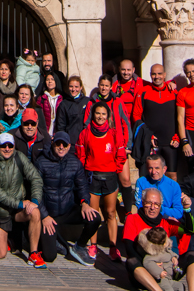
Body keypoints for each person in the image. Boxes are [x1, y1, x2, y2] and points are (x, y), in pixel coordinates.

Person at [34, 131, 101, 266]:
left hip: (67, 209)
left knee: (95, 217)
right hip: (49, 215)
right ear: (53, 143)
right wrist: (44, 216)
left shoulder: (75, 163)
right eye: (58, 143)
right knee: (49, 256)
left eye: (64, 144)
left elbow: (82, 186)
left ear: (69, 146)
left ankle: (79, 246)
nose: (61, 147)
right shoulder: (41, 162)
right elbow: (35, 192)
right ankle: (56, 242)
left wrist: (84, 203)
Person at [0, 133, 46, 266]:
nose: (7, 148)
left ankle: (33, 254)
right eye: (3, 146)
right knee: (0, 254)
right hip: (1, 212)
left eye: (10, 145)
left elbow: (35, 178)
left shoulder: (19, 157)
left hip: (18, 210)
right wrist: (18, 203)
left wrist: (34, 200)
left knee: (35, 212)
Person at [120, 188, 194, 291]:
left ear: (160, 206)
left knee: (193, 254)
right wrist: (152, 265)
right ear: (143, 202)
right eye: (149, 203)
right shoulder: (132, 219)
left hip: (168, 270)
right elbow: (129, 249)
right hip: (146, 272)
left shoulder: (166, 223)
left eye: (156, 204)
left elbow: (189, 230)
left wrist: (187, 210)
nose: (153, 207)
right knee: (131, 261)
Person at [77, 100, 127, 261]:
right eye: (97, 113)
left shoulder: (114, 134)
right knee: (93, 214)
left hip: (110, 177)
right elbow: (80, 154)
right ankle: (93, 245)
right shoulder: (85, 133)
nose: (100, 116)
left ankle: (113, 247)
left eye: (103, 114)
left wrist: (115, 169)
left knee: (111, 213)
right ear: (93, 114)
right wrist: (87, 168)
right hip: (93, 177)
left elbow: (121, 155)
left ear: (108, 116)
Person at [86, 74, 133, 212]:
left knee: (125, 179)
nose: (104, 88)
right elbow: (86, 125)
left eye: (107, 85)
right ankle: (106, 209)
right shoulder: (92, 102)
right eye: (102, 85)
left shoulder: (118, 102)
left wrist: (128, 144)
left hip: (118, 146)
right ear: (98, 85)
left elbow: (125, 123)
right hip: (100, 146)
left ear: (110, 87)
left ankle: (128, 211)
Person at [132, 64, 180, 179]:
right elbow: (136, 116)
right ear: (150, 75)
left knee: (171, 175)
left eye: (159, 74)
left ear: (164, 75)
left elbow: (180, 117)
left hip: (170, 142)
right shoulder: (143, 92)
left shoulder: (174, 92)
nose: (156, 76)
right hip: (151, 141)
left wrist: (177, 136)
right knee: (148, 175)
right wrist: (148, 136)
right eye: (153, 74)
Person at [134, 154, 183, 220]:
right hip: (146, 219)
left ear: (164, 169)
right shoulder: (141, 182)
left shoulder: (174, 185)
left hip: (166, 220)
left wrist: (160, 209)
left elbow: (178, 212)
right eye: (150, 168)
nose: (153, 172)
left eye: (157, 168)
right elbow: (139, 206)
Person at [136, 226, 183, 291]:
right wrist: (159, 272)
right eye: (166, 240)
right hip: (162, 279)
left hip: (170, 277)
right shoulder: (154, 255)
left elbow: (170, 251)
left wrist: (174, 257)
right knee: (169, 289)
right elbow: (147, 262)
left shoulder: (166, 249)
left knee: (180, 286)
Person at [55, 76, 88, 146]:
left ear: (81, 87)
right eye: (71, 86)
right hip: (71, 143)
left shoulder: (87, 101)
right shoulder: (64, 104)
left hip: (86, 141)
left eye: (76, 87)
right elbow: (61, 126)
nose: (73, 89)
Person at [113, 59, 144, 125]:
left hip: (135, 122)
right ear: (119, 69)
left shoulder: (140, 83)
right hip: (118, 122)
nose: (126, 72)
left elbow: (156, 85)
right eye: (123, 69)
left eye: (128, 70)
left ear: (133, 70)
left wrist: (170, 83)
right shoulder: (113, 84)